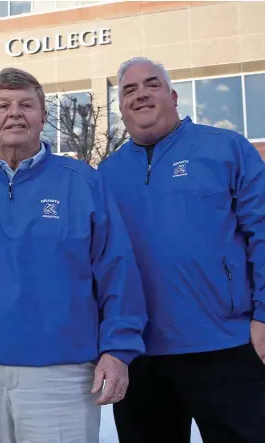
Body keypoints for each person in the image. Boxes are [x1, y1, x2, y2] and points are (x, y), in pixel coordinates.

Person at [0, 67, 148, 443]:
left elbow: (117, 271)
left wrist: (119, 349)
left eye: (26, 104)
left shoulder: (83, 183)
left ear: (43, 116)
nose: (15, 113)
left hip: (63, 376)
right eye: (3, 105)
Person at [98, 56, 265, 443]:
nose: (141, 94)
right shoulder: (105, 176)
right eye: (129, 90)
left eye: (151, 84)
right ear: (121, 108)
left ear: (173, 95)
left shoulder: (226, 150)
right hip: (141, 355)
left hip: (226, 345)